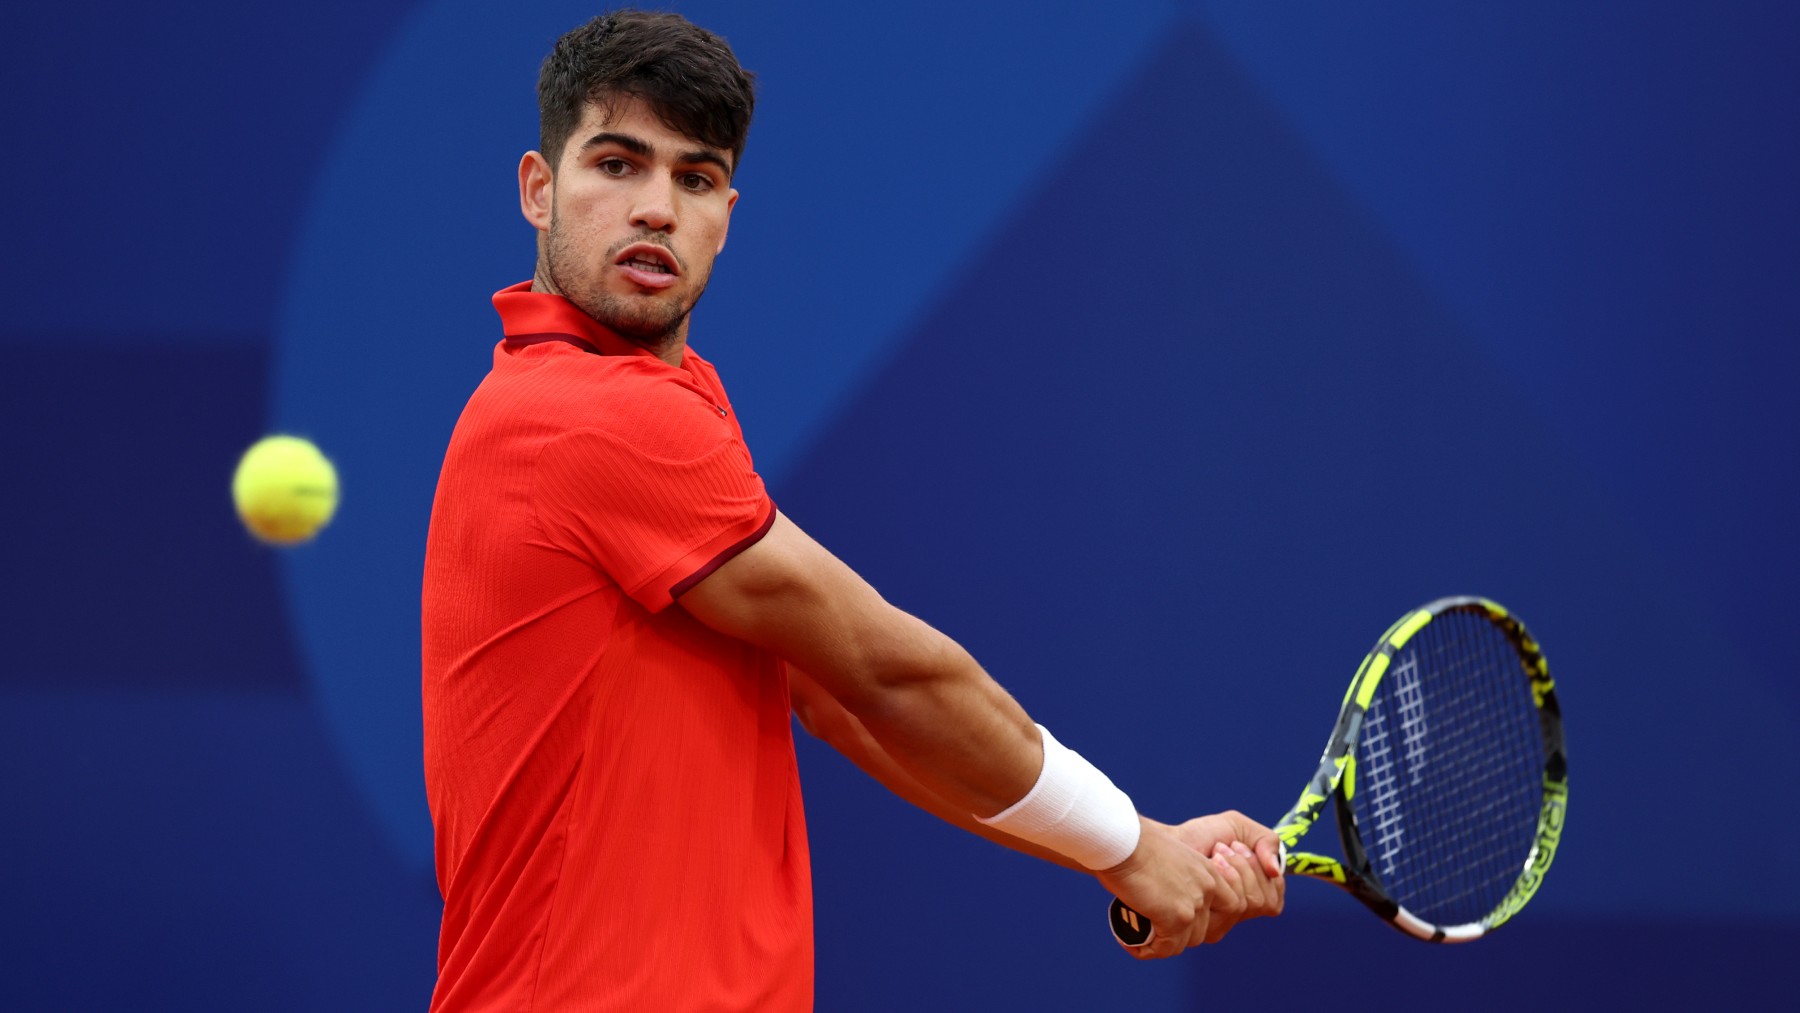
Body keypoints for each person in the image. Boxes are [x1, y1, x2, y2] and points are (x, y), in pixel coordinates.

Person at [420, 10, 1283, 1011]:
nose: (656, 207)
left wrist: (1125, 848)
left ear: (727, 212)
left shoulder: (675, 397)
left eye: (693, 179)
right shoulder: (583, 417)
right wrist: (1132, 845)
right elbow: (887, 669)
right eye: (617, 164)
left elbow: (842, 699)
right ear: (538, 188)